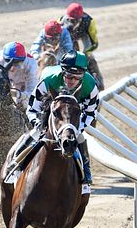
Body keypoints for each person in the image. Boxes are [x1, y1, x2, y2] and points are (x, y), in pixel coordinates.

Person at [6, 51, 99, 185]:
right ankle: (15, 163)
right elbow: (32, 108)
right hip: (50, 109)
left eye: (77, 76)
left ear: (83, 74)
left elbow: (91, 114)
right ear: (62, 72)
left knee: (79, 138)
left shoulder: (90, 87)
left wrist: (76, 128)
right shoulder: (49, 81)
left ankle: (86, 172)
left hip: (74, 112)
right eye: (68, 75)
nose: (72, 80)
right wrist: (39, 125)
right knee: (35, 133)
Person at [0, 41, 38, 109]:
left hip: (22, 86)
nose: (12, 67)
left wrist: (19, 95)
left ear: (23, 60)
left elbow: (32, 91)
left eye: (16, 63)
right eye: (8, 61)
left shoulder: (31, 64)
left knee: (27, 107)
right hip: (2, 85)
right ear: (4, 57)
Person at [59, 2, 104, 89]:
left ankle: (99, 83)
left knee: (88, 57)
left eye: (74, 21)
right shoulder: (61, 21)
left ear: (81, 18)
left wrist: (85, 54)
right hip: (70, 37)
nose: (72, 24)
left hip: (84, 35)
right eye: (70, 20)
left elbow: (94, 43)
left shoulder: (89, 22)